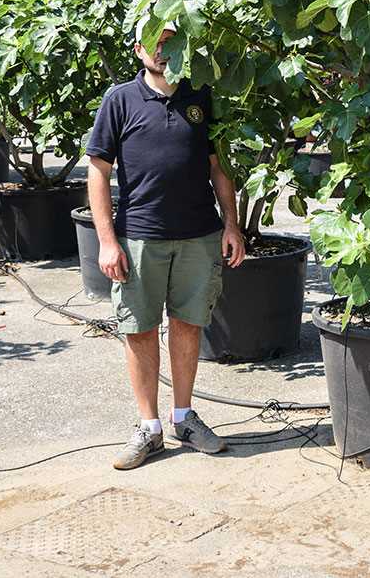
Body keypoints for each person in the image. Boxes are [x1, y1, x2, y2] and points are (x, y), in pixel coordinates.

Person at [86, 24, 245, 470]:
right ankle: (148, 428)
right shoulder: (119, 100)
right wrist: (106, 241)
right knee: (137, 328)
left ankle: (184, 417)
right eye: (153, 43)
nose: (162, 50)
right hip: (139, 237)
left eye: (170, 41)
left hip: (199, 235)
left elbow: (218, 167)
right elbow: (98, 171)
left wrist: (231, 225)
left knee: (189, 324)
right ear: (138, 50)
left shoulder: (201, 95)